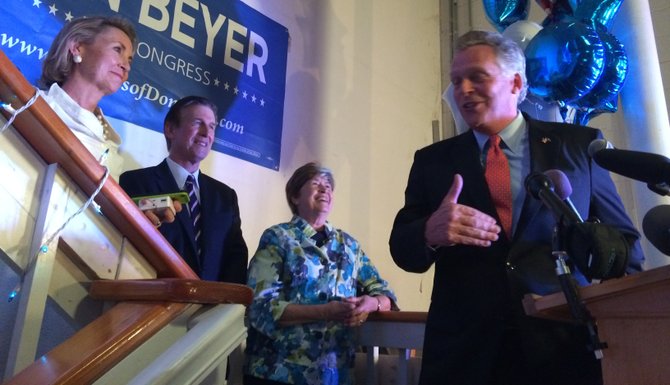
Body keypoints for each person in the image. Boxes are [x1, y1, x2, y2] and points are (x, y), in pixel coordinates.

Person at [389, 30, 644, 385]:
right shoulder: (433, 161)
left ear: (515, 82)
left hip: (561, 347)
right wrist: (429, 231)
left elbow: (627, 247)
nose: (463, 90)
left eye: (477, 77)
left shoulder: (577, 146)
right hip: (464, 355)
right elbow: (402, 250)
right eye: (456, 80)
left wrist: (612, 309)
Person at [244, 162, 397, 385]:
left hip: (334, 375)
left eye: (328, 186)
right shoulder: (278, 238)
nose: (324, 189)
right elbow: (261, 307)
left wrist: (372, 304)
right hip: (276, 371)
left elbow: (385, 293)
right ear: (295, 197)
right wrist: (326, 311)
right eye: (316, 184)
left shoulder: (349, 245)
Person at [119, 96, 248, 283]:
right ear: (171, 129)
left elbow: (235, 258)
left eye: (212, 126)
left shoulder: (225, 196)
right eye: (198, 123)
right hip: (156, 301)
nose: (206, 133)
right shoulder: (136, 183)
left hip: (212, 308)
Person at [39, 15, 136, 179]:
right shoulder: (31, 106)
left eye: (129, 60)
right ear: (77, 47)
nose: (125, 66)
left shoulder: (112, 151)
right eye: (117, 49)